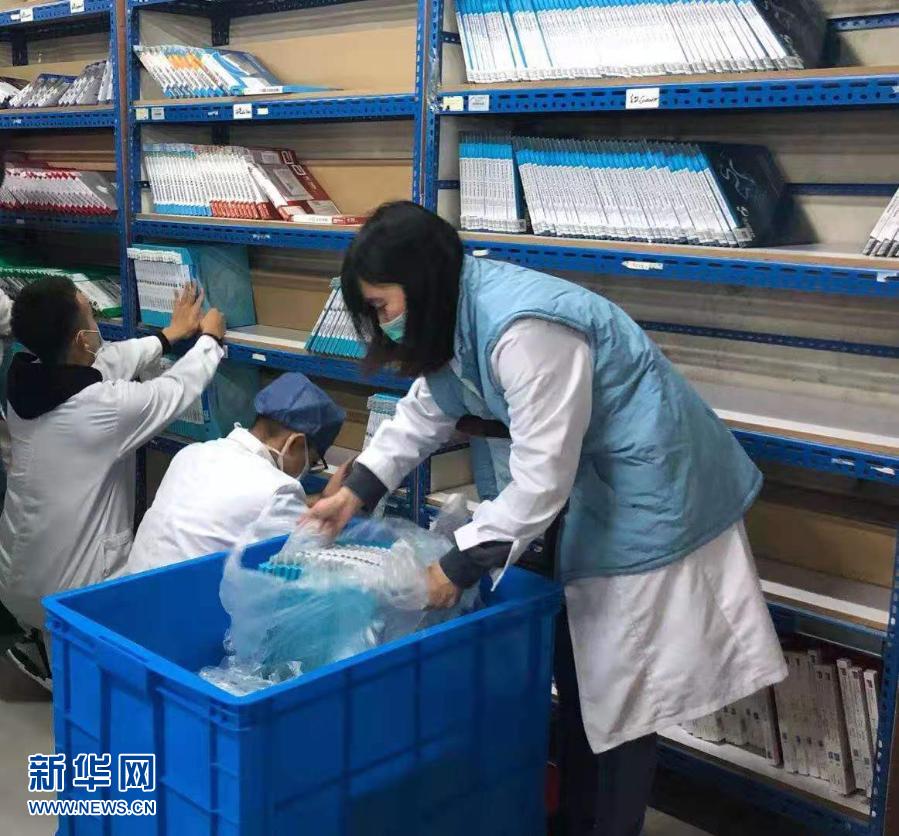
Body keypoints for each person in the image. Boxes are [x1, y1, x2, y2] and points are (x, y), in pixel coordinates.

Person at [307, 201, 787, 836]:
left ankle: (606, 824)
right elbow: (426, 409)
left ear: (420, 284)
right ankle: (578, 817)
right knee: (581, 676)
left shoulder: (524, 331)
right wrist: (355, 491)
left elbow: (541, 478)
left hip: (648, 490)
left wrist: (453, 569)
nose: (381, 323)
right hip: (592, 489)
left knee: (618, 692)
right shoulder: (453, 311)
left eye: (382, 306)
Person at [0, 277, 225, 688]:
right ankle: (74, 673)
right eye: (91, 313)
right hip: (71, 590)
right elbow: (175, 389)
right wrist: (210, 341)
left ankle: (50, 652)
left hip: (15, 577)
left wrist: (168, 336)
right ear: (82, 339)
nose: (97, 322)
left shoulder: (24, 378)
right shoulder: (104, 408)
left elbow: (107, 361)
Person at [124, 372, 349, 575]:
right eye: (312, 461)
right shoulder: (279, 489)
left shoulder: (191, 453)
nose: (307, 469)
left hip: (129, 591)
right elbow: (310, 558)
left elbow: (237, 506)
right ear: (295, 443)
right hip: (186, 604)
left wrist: (321, 500)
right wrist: (340, 501)